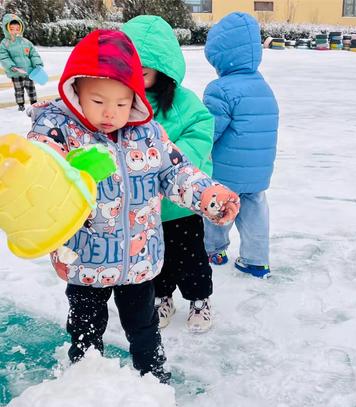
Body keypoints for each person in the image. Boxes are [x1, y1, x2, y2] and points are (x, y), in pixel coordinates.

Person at [27, 30, 239, 382]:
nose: (111, 113)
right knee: (85, 330)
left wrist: (209, 195)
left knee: (144, 329)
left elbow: (177, 171)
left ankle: (153, 380)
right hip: (85, 260)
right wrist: (46, 163)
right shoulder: (58, 131)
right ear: (75, 91)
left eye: (122, 103)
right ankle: (83, 381)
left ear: (136, 99)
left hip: (138, 263)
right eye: (98, 101)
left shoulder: (147, 133)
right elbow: (37, 165)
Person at [121, 15, 215, 333]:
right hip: (142, 209)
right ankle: (162, 298)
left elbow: (200, 134)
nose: (135, 75)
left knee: (190, 260)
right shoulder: (120, 101)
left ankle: (199, 300)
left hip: (179, 204)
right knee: (154, 261)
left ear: (164, 66)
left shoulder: (183, 103)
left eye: (144, 69)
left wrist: (162, 161)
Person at [203, 12, 279, 279]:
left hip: (226, 171)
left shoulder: (220, 89)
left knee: (217, 209)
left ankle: (214, 250)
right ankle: (256, 260)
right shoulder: (264, 87)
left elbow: (210, 131)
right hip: (258, 171)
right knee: (255, 212)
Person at [0, 13, 43, 111]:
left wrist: (37, 63)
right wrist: (12, 66)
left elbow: (33, 53)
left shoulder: (25, 41)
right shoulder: (4, 43)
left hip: (28, 70)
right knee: (19, 90)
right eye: (12, 29)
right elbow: (4, 57)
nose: (15, 31)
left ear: (21, 28)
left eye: (17, 28)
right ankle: (21, 105)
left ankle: (34, 103)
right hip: (15, 72)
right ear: (6, 29)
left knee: (31, 88)